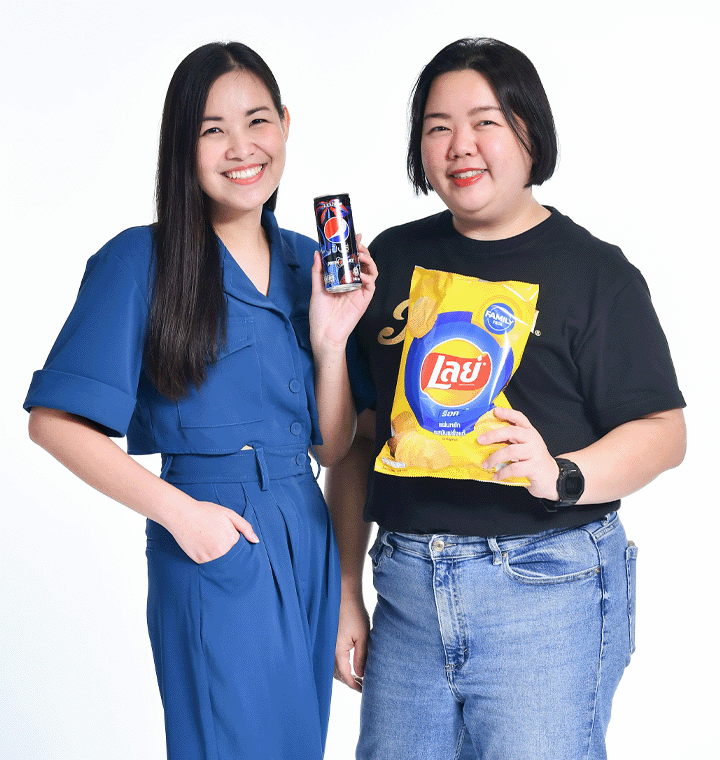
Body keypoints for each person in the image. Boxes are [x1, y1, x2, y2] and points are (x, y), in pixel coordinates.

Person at [327, 37, 685, 760]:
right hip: (404, 590)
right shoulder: (391, 261)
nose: (461, 145)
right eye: (437, 127)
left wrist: (563, 472)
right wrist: (343, 595)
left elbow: (663, 431)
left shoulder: (597, 274)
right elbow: (356, 443)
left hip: (546, 589)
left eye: (486, 121)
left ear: (530, 131)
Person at [24, 41, 376, 760]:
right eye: (213, 129)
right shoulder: (139, 261)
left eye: (257, 122)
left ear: (284, 123)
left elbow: (332, 447)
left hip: (305, 531)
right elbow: (53, 423)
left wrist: (333, 340)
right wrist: (184, 517)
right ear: (182, 145)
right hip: (217, 533)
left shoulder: (307, 261)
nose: (241, 148)